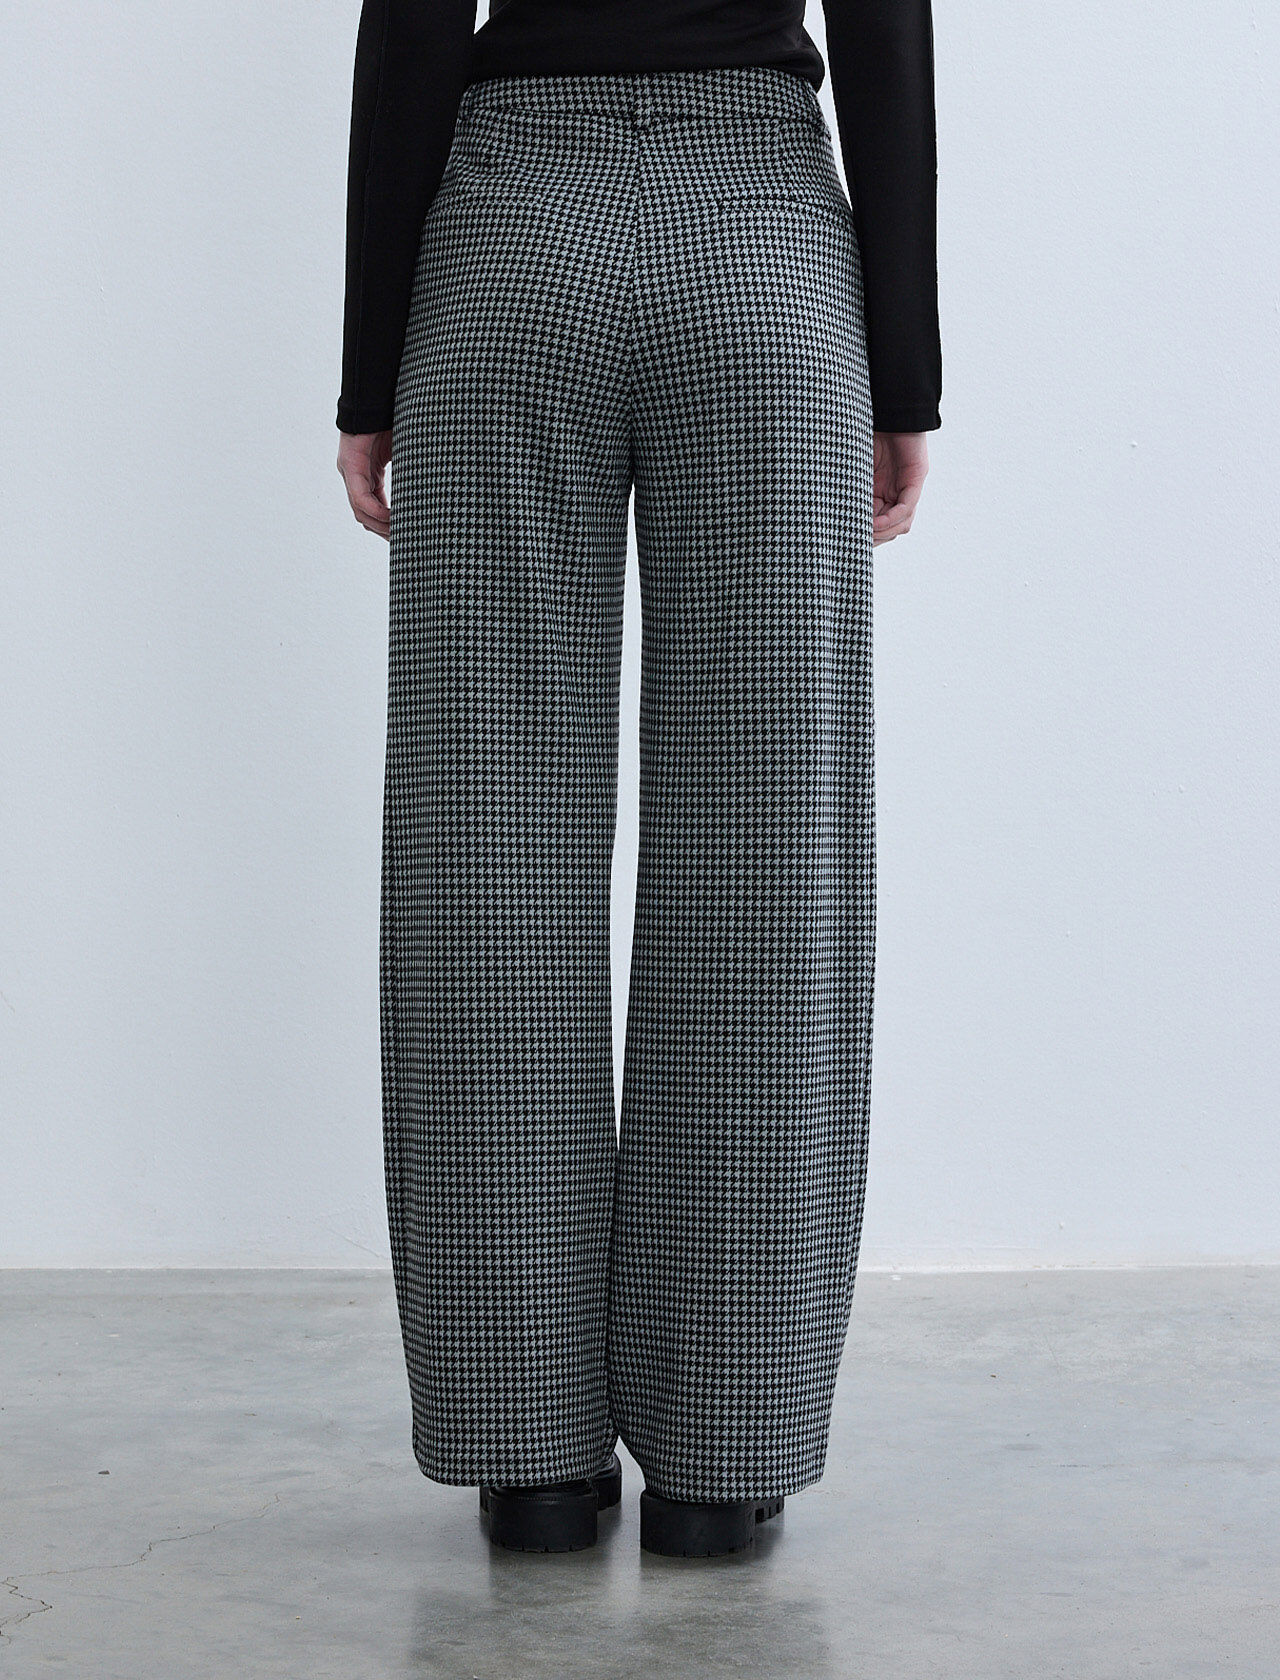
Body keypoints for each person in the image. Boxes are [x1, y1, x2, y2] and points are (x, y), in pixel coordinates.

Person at [334, 0, 940, 1560]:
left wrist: (369, 376)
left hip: (508, 248)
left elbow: (412, 24)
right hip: (762, 248)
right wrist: (904, 374)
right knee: (768, 854)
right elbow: (884, 27)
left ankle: (525, 1453)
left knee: (484, 844)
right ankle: (726, 1457)